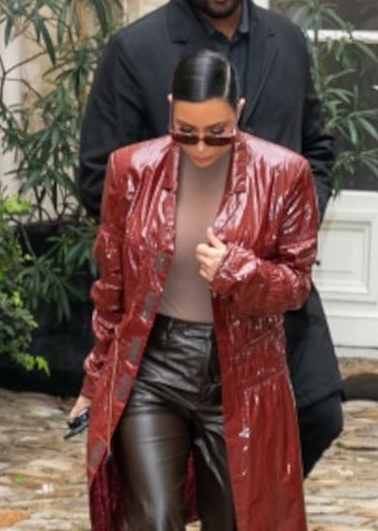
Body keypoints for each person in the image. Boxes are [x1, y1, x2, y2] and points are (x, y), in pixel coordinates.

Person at [76, 0, 343, 477]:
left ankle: (236, 504)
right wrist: (174, 235)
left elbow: (317, 150)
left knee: (319, 415)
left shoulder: (286, 40)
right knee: (178, 459)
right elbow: (101, 177)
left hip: (267, 289)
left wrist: (292, 226)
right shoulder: (135, 49)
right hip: (174, 306)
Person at [69, 50, 315, 530]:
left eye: (217, 133)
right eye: (185, 131)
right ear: (169, 110)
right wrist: (95, 382)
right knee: (154, 518)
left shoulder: (285, 174)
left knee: (233, 520)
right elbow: (112, 288)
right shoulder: (131, 169)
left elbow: (296, 285)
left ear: (238, 110)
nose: (201, 147)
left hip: (242, 371)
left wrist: (239, 270)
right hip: (151, 366)